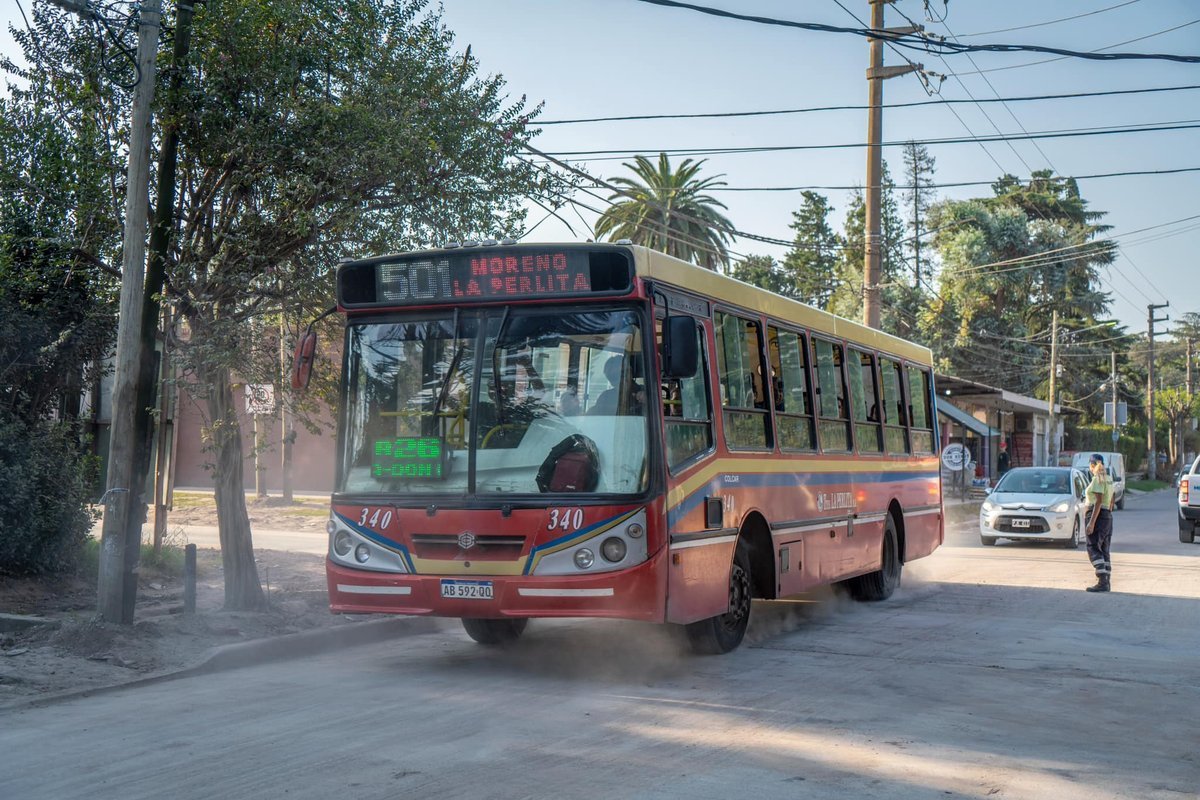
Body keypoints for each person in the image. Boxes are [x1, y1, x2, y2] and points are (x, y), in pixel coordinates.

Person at [1084, 452, 1115, 593]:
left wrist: (1091, 523)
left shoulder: (1098, 479)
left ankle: (1102, 581)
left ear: (1092, 465)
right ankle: (1106, 581)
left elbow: (1098, 501)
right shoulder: (1109, 479)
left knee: (1093, 547)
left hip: (1097, 515)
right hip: (1107, 516)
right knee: (1104, 549)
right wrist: (1108, 514)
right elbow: (1112, 499)